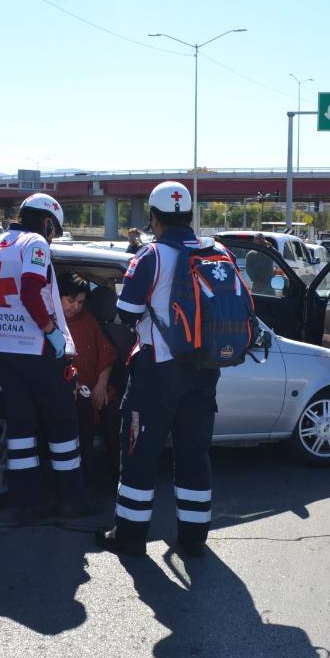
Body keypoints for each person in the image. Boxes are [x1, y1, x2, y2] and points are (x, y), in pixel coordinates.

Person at [95, 181, 222, 558]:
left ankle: (130, 536)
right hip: (205, 370)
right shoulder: (216, 252)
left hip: (159, 369)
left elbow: (126, 314)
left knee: (139, 452)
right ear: (189, 215)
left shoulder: (151, 255)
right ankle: (195, 538)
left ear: (153, 217)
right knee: (194, 453)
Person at [0, 193, 93, 521]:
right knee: (63, 425)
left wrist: (0, 318)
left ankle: (26, 504)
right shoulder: (35, 242)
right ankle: (72, 500)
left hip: (3, 348)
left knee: (22, 429)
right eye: (53, 229)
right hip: (36, 350)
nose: (52, 236)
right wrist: (51, 332)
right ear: (47, 222)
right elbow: (31, 291)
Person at [57, 271, 119, 479]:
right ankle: (85, 474)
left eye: (81, 302)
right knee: (82, 409)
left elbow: (106, 352)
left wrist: (101, 385)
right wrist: (74, 386)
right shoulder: (50, 322)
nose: (75, 307)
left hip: (95, 385)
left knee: (112, 411)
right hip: (68, 388)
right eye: (70, 300)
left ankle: (117, 476)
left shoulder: (88, 319)